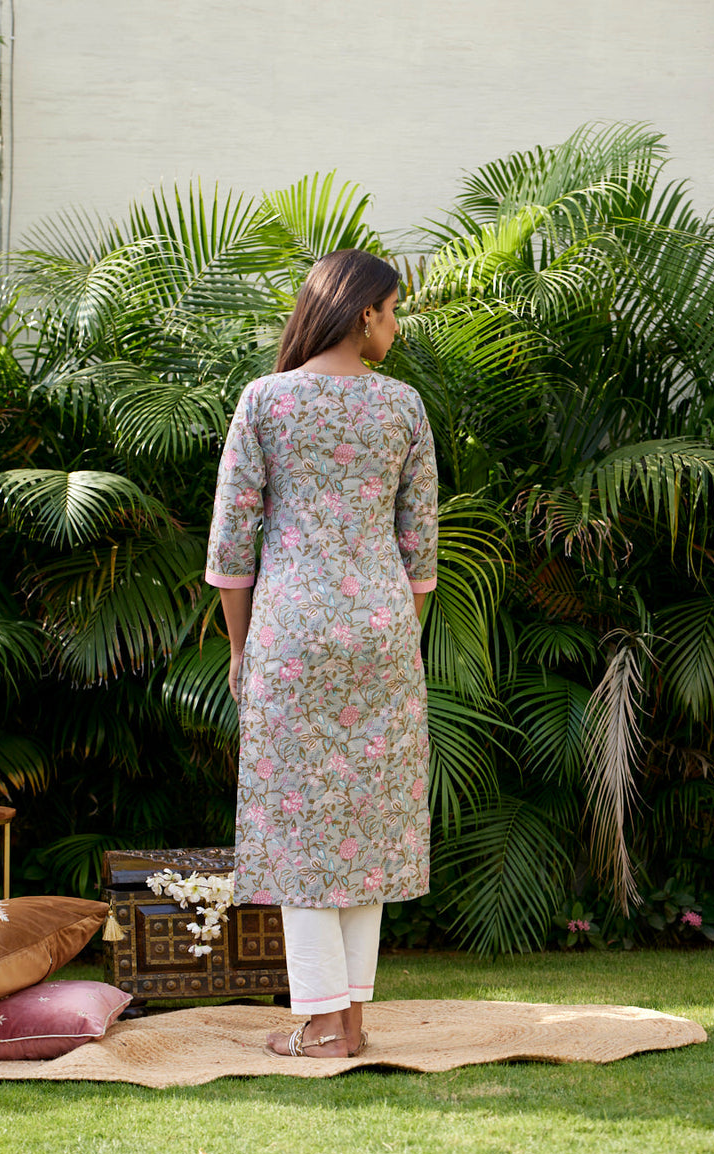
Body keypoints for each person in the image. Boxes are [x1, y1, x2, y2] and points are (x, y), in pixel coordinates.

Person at [205, 248, 438, 1057]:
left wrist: (241, 649)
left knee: (299, 821)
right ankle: (352, 1020)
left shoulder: (266, 400)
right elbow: (420, 545)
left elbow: (232, 542)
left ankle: (322, 1023)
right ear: (365, 312)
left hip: (292, 633)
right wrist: (400, 635)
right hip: (380, 630)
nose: (396, 326)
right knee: (364, 822)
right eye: (394, 310)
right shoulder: (402, 406)